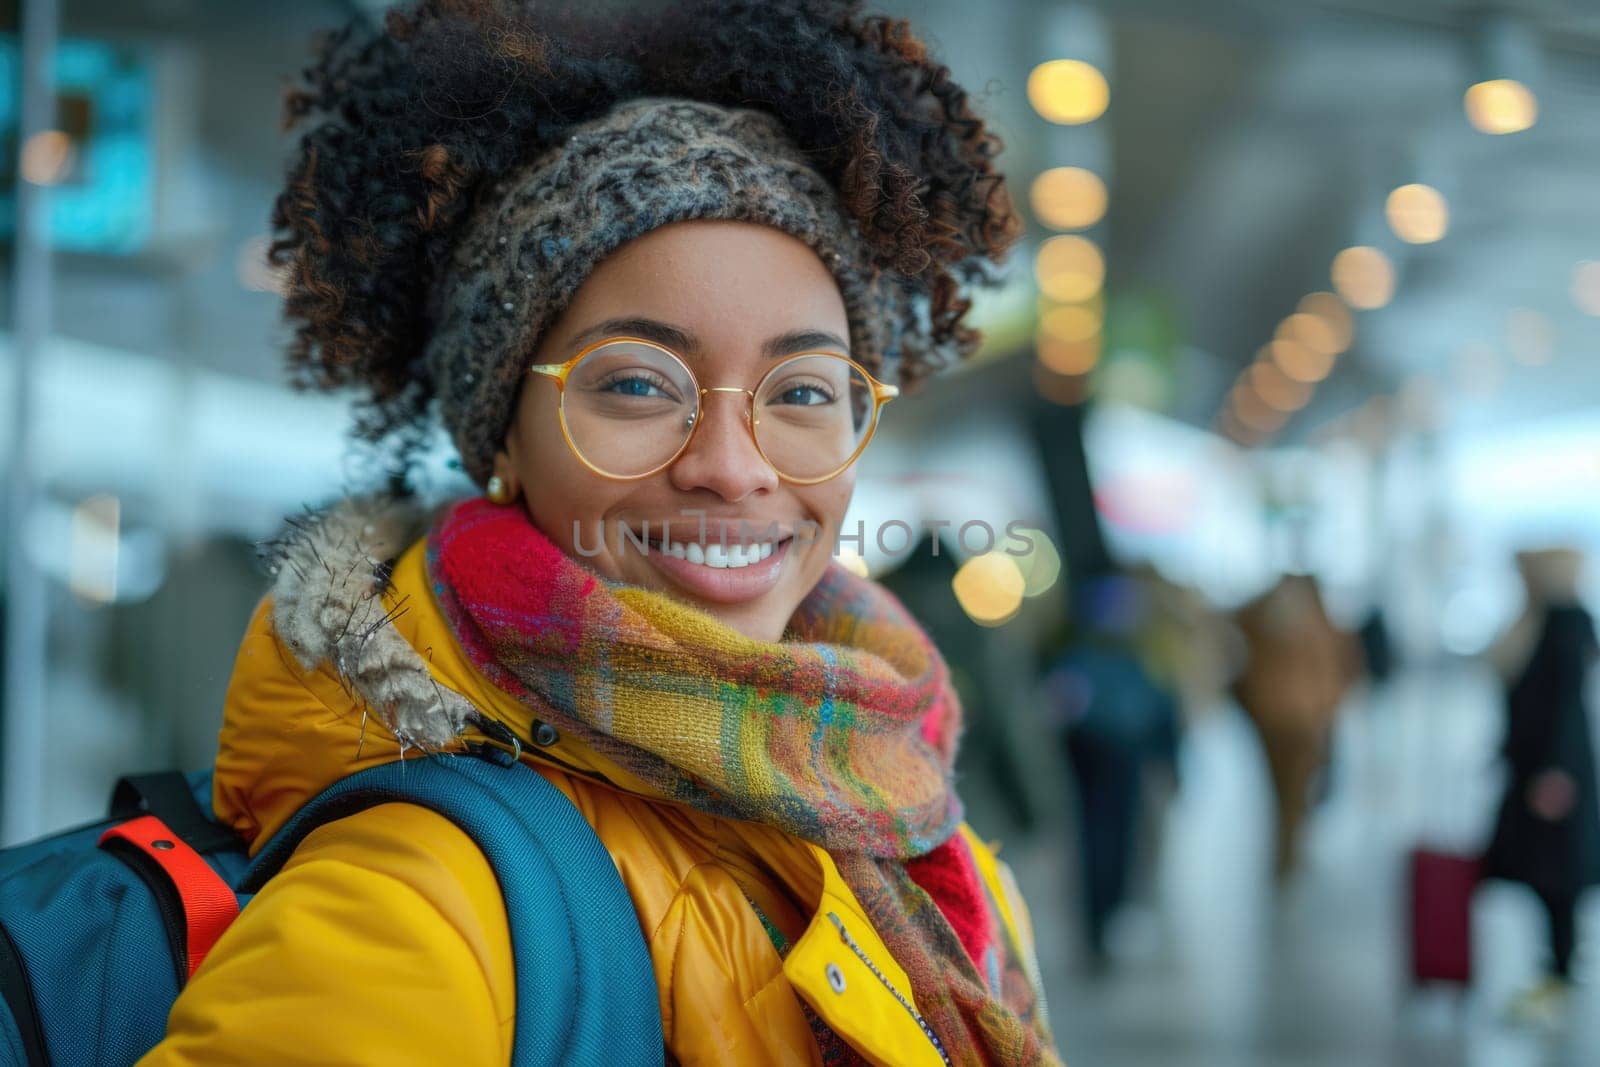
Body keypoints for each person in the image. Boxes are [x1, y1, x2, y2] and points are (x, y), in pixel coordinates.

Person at [137, 2, 1062, 1064]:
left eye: (802, 388)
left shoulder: (929, 836)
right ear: (504, 439)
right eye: (636, 382)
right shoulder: (420, 900)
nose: (733, 463)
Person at [1483, 548, 1600, 1025]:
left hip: (1553, 776)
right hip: (1535, 769)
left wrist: (1556, 770)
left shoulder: (1564, 623)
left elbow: (1566, 706)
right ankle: (1556, 968)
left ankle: (1560, 971)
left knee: (1557, 873)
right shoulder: (1534, 620)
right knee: (1543, 871)